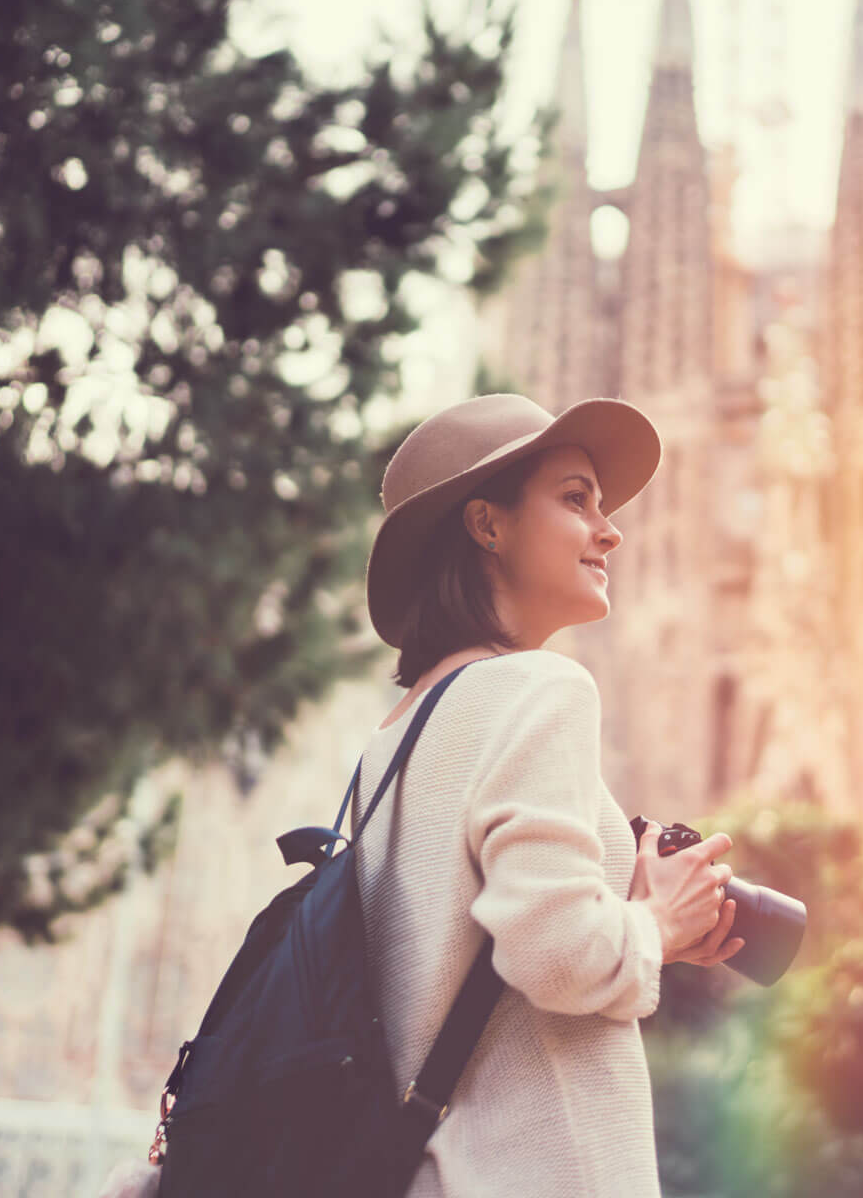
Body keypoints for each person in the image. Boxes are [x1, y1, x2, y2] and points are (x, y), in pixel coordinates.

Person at [353, 393, 742, 1197]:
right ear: (487, 525)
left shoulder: (389, 744)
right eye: (575, 499)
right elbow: (555, 954)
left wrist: (627, 905)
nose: (611, 530)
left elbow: (460, 963)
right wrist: (658, 927)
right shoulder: (541, 688)